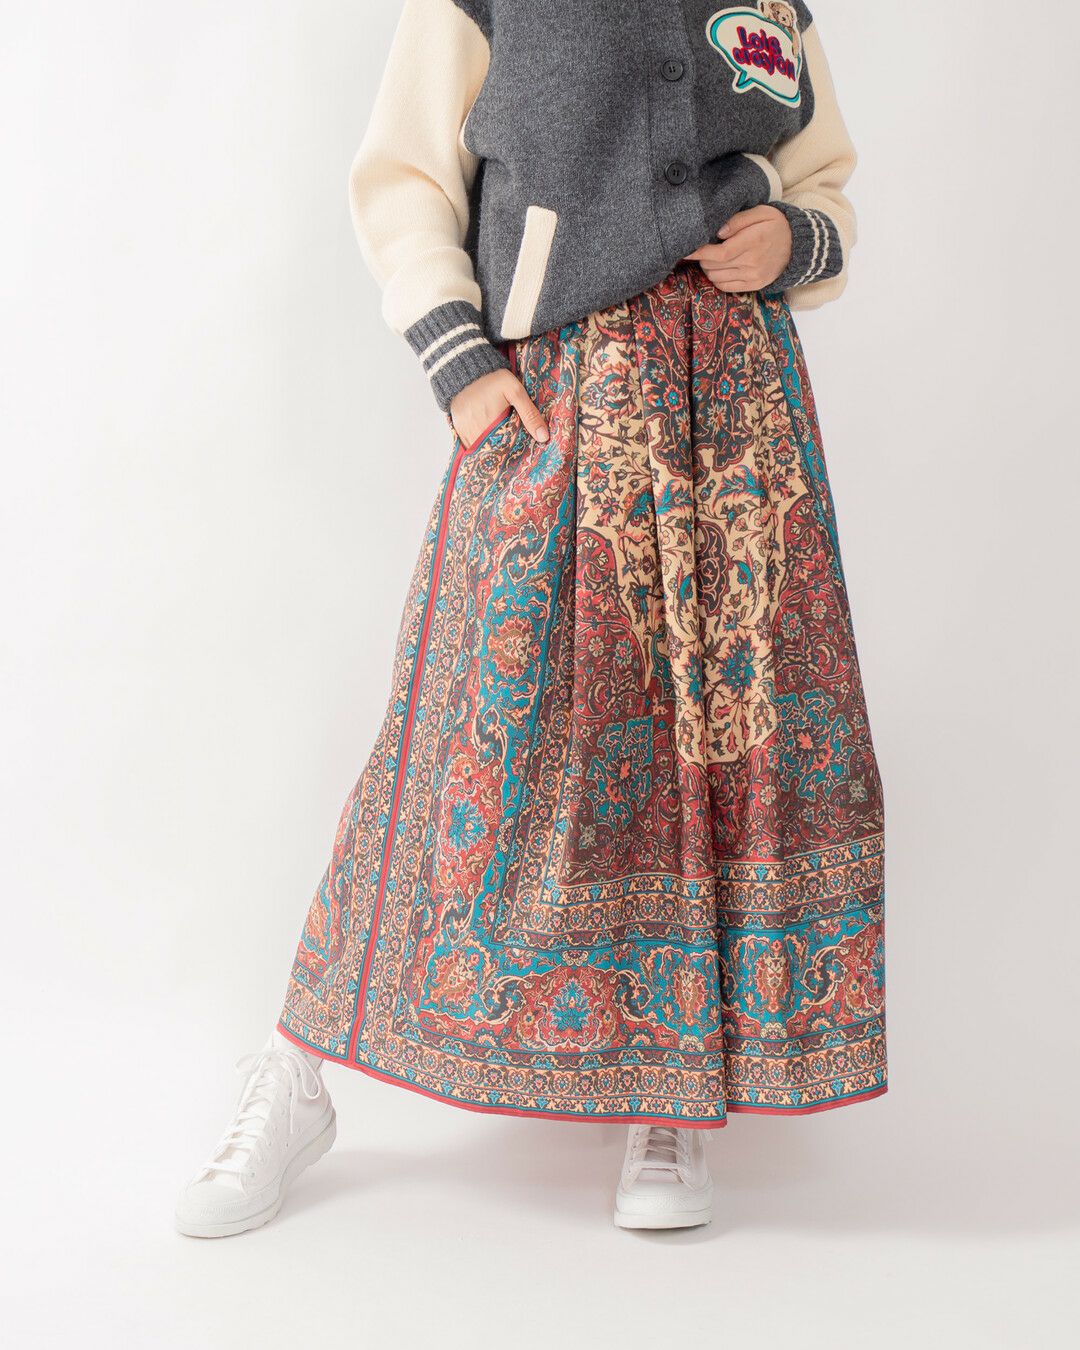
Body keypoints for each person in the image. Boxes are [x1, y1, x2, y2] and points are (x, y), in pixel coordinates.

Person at [176, 0, 886, 1238]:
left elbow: (821, 168)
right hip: (557, 394)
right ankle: (295, 1073)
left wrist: (797, 237)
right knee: (463, 742)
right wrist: (460, 362)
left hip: (737, 412)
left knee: (707, 758)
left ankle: (668, 1091)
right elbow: (404, 173)